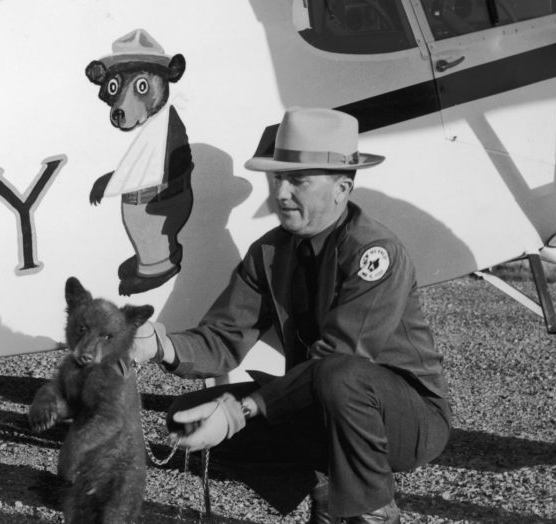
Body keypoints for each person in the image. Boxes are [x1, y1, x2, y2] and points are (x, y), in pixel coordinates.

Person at [132, 107, 450, 524]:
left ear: (342, 187)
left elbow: (341, 358)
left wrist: (243, 410)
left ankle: (369, 510)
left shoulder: (375, 252)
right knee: (186, 415)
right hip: (320, 400)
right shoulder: (269, 252)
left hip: (405, 421)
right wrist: (161, 345)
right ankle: (328, 490)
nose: (280, 193)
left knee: (340, 375)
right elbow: (224, 338)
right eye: (277, 178)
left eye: (297, 180)